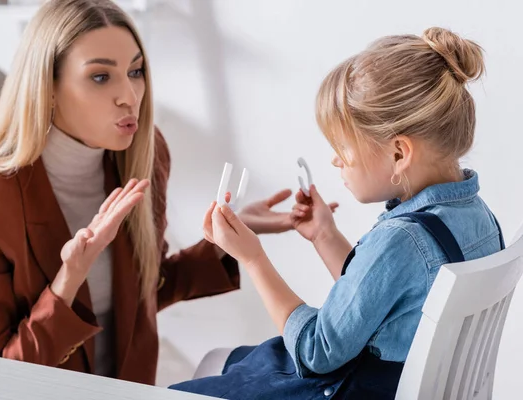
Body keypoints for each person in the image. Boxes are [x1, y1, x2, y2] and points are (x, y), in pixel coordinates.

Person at [0, 0, 300, 385]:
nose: (130, 95)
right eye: (101, 77)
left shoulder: (145, 157)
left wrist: (226, 238)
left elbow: (141, 293)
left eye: (135, 71)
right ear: (48, 88)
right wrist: (69, 279)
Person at [169, 27, 504, 399]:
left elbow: (316, 353)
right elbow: (381, 298)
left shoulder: (402, 239)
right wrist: (324, 236)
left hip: (352, 389)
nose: (334, 160)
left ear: (398, 153)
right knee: (225, 362)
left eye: (343, 148)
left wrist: (253, 258)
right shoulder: (476, 217)